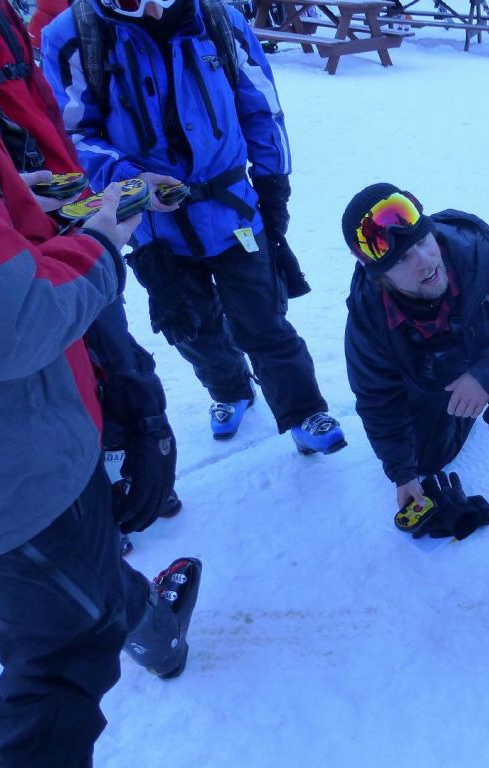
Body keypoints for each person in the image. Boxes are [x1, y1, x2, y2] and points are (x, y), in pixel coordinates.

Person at [0, 47, 202, 767]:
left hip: (14, 443)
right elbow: (1, 326)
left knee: (82, 582)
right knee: (60, 656)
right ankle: (141, 625)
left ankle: (152, 625)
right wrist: (100, 243)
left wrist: (5, 201)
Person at [40, 0, 346, 452]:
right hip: (152, 225)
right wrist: (130, 180)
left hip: (233, 210)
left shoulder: (219, 19)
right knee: (190, 326)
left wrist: (273, 185)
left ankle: (303, 411)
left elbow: (263, 109)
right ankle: (229, 390)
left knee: (263, 318)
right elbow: (72, 134)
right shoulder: (75, 35)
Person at [0, 0, 184, 543]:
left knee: (113, 353)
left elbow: (48, 116)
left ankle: (127, 466)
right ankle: (91, 507)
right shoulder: (67, 26)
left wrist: (81, 194)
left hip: (67, 222)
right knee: (43, 386)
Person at [341, 183, 489, 614]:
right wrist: (403, 475)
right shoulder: (368, 317)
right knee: (427, 461)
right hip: (430, 375)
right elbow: (377, 399)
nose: (424, 262)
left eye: (422, 242)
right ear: (378, 275)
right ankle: (461, 412)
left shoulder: (487, 258)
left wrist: (485, 377)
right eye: (402, 261)